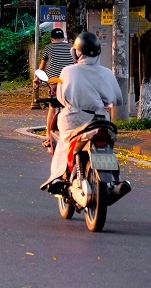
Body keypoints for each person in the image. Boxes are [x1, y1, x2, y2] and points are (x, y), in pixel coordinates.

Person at [41, 31, 123, 192]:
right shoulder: (107, 73)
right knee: (108, 145)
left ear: (76, 52)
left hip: (74, 118)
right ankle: (115, 179)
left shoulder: (68, 71)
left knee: (64, 143)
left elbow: (62, 98)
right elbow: (117, 99)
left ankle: (58, 176)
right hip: (101, 118)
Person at [37, 28, 74, 150]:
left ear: (52, 39)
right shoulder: (71, 47)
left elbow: (42, 66)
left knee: (52, 108)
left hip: (54, 82)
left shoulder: (48, 48)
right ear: (63, 38)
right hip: (69, 80)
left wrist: (37, 79)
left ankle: (48, 137)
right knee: (69, 106)